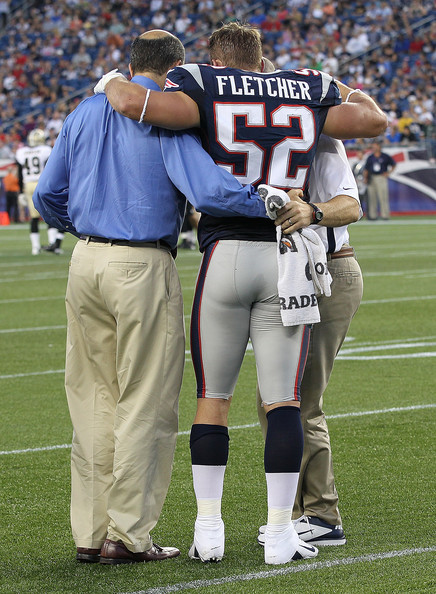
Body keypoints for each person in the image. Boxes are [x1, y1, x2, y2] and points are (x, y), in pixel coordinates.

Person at [97, 22, 386, 565]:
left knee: (214, 397)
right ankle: (280, 533)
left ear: (216, 58)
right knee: (285, 402)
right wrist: (334, 85)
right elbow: (373, 118)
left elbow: (137, 103)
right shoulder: (305, 88)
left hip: (227, 251)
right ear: (262, 59)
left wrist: (110, 79)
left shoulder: (204, 82)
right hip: (287, 256)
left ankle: (210, 529)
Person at [33, 30, 269, 566]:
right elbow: (209, 192)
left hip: (85, 260)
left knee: (92, 399)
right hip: (141, 263)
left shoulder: (84, 112)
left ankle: (90, 535)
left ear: (132, 63)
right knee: (147, 402)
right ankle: (129, 536)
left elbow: (46, 193)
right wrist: (268, 201)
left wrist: (88, 230)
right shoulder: (161, 116)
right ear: (175, 71)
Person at [256, 134, 363, 549]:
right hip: (293, 274)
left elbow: (351, 204)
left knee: (298, 397)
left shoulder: (319, 142)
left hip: (328, 273)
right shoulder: (268, 140)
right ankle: (300, 512)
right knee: (277, 399)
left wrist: (313, 210)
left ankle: (321, 513)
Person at [15, 129, 53, 254]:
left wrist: (21, 191)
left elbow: (20, 173)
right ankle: (53, 244)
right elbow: (50, 169)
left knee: (34, 217)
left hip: (28, 185)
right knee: (50, 214)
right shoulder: (45, 150)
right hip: (41, 183)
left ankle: (35, 248)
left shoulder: (22, 152)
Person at [363, 140, 396, 220]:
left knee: (383, 197)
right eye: (373, 146)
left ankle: (385, 215)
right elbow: (366, 169)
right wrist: (365, 178)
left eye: (375, 146)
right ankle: (373, 215)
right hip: (372, 177)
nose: (374, 148)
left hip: (381, 177)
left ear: (379, 147)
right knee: (372, 197)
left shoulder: (385, 156)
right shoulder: (370, 157)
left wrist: (388, 173)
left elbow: (393, 164)